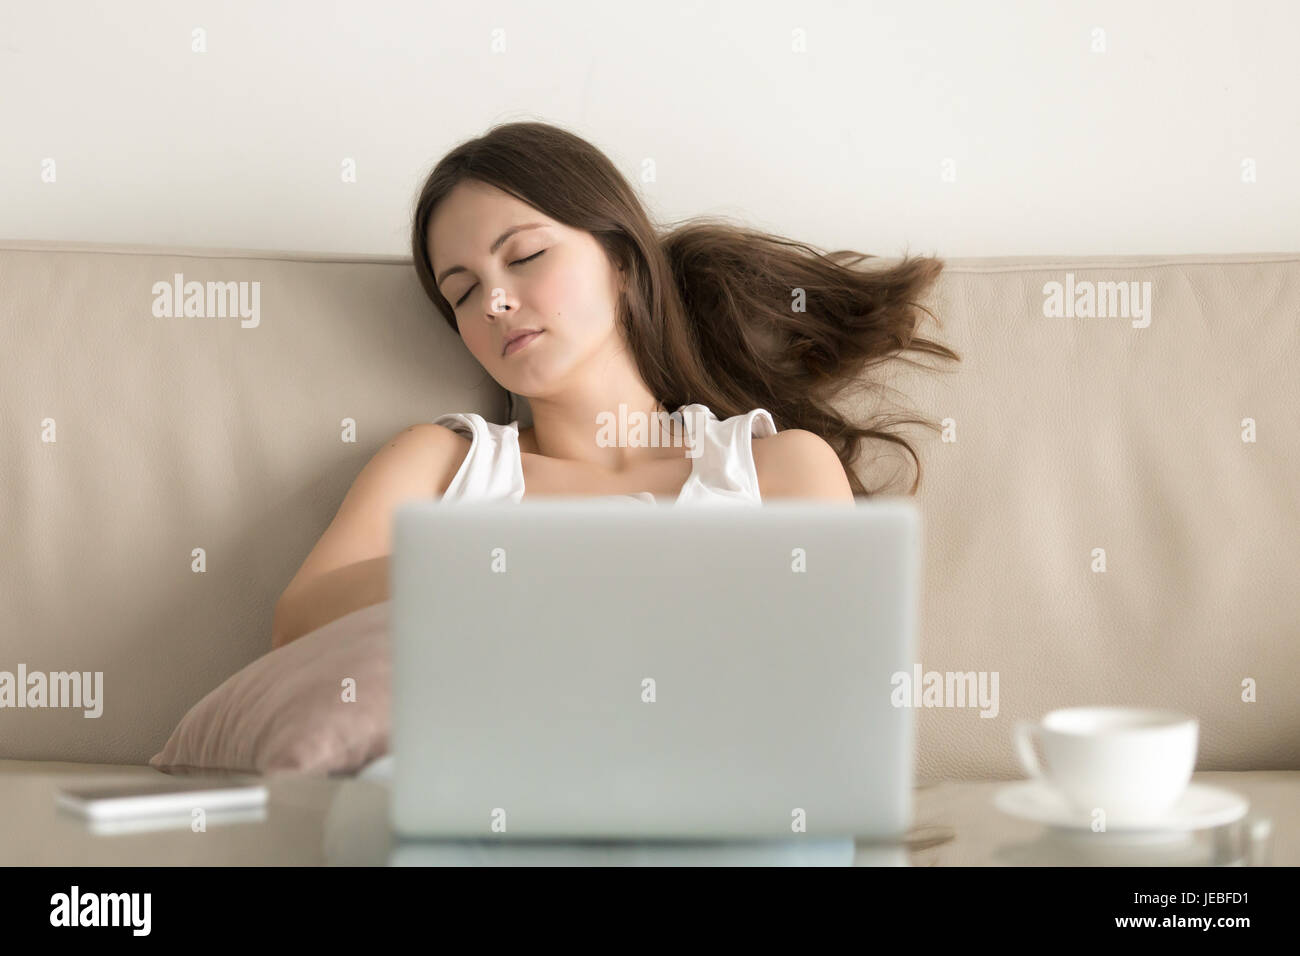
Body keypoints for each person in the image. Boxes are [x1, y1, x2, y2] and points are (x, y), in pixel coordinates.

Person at [271, 122, 959, 649]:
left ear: (623, 261)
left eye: (526, 256)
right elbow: (297, 625)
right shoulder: (440, 464)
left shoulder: (778, 468)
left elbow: (837, 675)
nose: (494, 303)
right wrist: (503, 567)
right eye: (463, 292)